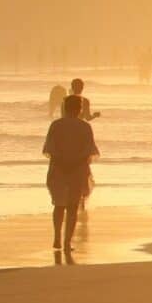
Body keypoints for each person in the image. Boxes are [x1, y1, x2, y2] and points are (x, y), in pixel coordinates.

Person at [43, 95, 99, 251]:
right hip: (78, 169)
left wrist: (62, 161)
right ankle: (67, 242)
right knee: (73, 207)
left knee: (59, 205)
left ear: (64, 108)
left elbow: (50, 148)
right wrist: (74, 162)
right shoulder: (85, 127)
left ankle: (56, 238)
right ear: (80, 109)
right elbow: (89, 150)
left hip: (58, 168)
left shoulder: (56, 125)